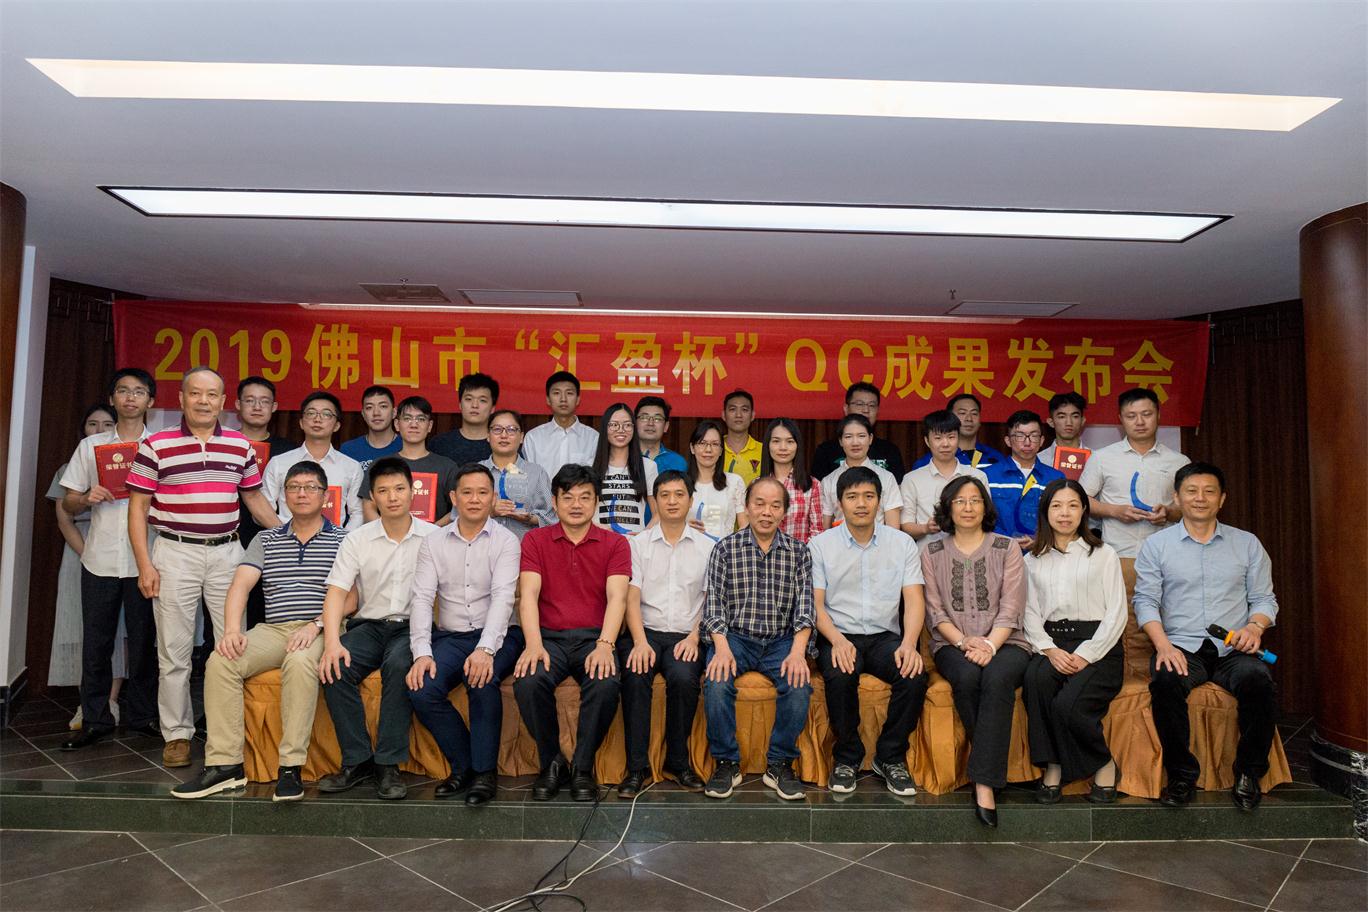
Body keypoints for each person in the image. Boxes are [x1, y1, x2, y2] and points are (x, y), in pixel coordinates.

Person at [125, 366, 281, 767]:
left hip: (228, 553)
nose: (203, 401)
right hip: (174, 553)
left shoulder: (240, 446)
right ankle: (177, 734)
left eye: (212, 395)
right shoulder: (156, 444)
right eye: (195, 393)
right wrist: (145, 564)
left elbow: (254, 500)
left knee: (233, 644)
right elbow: (137, 508)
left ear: (223, 402)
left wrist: (289, 534)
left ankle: (230, 732)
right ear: (181, 398)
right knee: (174, 651)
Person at [171, 462, 349, 802]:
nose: (301, 493)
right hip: (274, 629)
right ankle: (226, 765)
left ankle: (290, 767)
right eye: (294, 487)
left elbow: (352, 596)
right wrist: (231, 631)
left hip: (322, 626)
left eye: (310, 487)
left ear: (325, 496)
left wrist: (316, 625)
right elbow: (240, 586)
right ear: (283, 495)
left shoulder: (344, 539)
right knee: (221, 661)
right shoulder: (266, 539)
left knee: (299, 662)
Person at [1134, 462, 1279, 811]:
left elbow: (1264, 599)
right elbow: (1145, 601)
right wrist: (1163, 646)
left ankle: (1249, 773)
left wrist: (1254, 627)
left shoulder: (1247, 544)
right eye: (1191, 491)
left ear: (1222, 498)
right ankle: (1182, 775)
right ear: (1177, 497)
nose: (1200, 498)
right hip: (1180, 646)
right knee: (1166, 681)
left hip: (1233, 649)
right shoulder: (1157, 545)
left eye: (1209, 491)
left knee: (1259, 682)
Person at [317, 457, 439, 800]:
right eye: (383, 491)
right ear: (372, 497)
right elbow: (336, 593)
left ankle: (388, 764)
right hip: (369, 625)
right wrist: (332, 642)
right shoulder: (357, 539)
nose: (392, 497)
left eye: (399, 488)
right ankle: (357, 760)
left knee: (400, 665)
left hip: (412, 627)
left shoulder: (434, 537)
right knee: (335, 667)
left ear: (412, 491)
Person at [406, 464, 523, 806]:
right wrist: (422, 652)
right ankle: (464, 766)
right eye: (467, 492)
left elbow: (504, 598)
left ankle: (485, 774)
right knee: (422, 689)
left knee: (481, 679)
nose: (474, 499)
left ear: (493, 498)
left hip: (501, 635)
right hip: (452, 637)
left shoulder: (507, 541)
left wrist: (486, 650)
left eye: (482, 493)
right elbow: (422, 598)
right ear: (453, 498)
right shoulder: (433, 542)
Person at [513, 464, 631, 802]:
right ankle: (552, 763)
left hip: (594, 638)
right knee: (529, 681)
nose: (576, 504)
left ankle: (582, 766)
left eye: (585, 497)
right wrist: (533, 644)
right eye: (568, 497)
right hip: (548, 638)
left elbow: (618, 598)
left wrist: (605, 645)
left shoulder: (615, 543)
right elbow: (528, 595)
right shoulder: (535, 540)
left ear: (596, 502)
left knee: (605, 683)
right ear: (554, 501)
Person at [809, 467, 928, 796]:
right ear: (840, 502)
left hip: (883, 637)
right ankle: (847, 757)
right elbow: (815, 605)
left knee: (913, 674)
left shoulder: (902, 543)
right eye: (852, 497)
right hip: (838, 633)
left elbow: (914, 599)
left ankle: (890, 756)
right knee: (840, 673)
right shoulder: (820, 545)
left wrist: (909, 644)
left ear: (879, 501)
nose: (861, 504)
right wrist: (836, 641)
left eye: (868, 496)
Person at [920, 475, 1030, 827]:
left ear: (986, 507)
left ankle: (983, 782)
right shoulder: (931, 552)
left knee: (996, 678)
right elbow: (935, 612)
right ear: (948, 508)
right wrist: (964, 642)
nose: (968, 508)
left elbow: (1012, 607)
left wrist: (990, 644)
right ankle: (989, 775)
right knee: (967, 677)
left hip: (1007, 641)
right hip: (952, 643)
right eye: (960, 501)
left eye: (975, 500)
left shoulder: (1007, 548)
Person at [701, 477, 814, 801]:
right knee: (717, 681)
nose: (767, 512)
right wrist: (722, 648)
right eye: (759, 504)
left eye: (775, 505)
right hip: (735, 638)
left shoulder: (799, 552)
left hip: (781, 641)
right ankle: (726, 762)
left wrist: (797, 652)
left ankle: (779, 763)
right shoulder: (725, 549)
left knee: (798, 684)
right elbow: (714, 605)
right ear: (747, 507)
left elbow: (805, 608)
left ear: (784, 512)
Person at [1021, 479, 1126, 804]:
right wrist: (1049, 649)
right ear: (1045, 511)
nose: (1064, 513)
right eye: (1056, 506)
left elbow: (1117, 613)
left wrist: (1087, 654)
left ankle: (1103, 762)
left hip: (1098, 645)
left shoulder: (1103, 554)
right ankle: (1053, 765)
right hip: (1052, 642)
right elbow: (1028, 612)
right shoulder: (1032, 559)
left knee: (1067, 706)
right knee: (1035, 681)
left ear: (1083, 511)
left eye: (1072, 505)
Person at [615, 470, 713, 797]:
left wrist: (695, 637)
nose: (672, 501)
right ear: (654, 501)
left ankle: (677, 762)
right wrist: (639, 642)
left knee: (684, 678)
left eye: (679, 494)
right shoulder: (637, 544)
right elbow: (630, 597)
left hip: (687, 634)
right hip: (644, 631)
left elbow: (710, 601)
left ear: (691, 500)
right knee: (635, 673)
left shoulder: (707, 547)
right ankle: (637, 767)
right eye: (665, 495)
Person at [50, 404, 126, 733]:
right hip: (81, 551)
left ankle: (112, 700)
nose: (99, 430)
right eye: (92, 424)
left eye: (107, 424)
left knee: (120, 630)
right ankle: (88, 703)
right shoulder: (70, 467)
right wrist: (87, 554)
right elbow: (64, 518)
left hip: (123, 553)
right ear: (84, 429)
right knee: (86, 628)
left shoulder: (130, 461)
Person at [1078, 388, 1189, 598]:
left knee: (1167, 613)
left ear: (1158, 415)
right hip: (1118, 554)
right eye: (1131, 416)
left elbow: (1188, 507)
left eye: (1146, 414)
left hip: (1166, 555)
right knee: (1122, 615)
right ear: (1120, 419)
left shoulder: (1179, 461)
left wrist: (1168, 512)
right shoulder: (1102, 458)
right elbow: (1080, 500)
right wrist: (1114, 511)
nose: (1140, 422)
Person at [233, 376, 298, 629]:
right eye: (250, 400)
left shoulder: (288, 450)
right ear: (237, 405)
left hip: (274, 536)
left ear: (274, 407)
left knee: (265, 608)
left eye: (264, 401)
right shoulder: (226, 444)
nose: (257, 407)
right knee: (227, 608)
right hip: (230, 536)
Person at [262, 391, 364, 530]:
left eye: (326, 414)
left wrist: (343, 539)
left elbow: (358, 512)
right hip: (287, 539)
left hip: (335, 542)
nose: (317, 419)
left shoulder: (351, 467)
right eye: (311, 413)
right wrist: (285, 535)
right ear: (301, 423)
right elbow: (264, 508)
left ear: (337, 426)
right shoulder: (279, 463)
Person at [361, 395, 458, 526]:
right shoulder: (379, 465)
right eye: (407, 418)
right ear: (397, 424)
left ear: (430, 426)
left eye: (421, 419)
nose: (414, 424)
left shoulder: (447, 466)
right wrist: (389, 532)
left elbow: (458, 507)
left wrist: (432, 532)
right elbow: (368, 507)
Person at [899, 409, 988, 543]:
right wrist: (925, 528)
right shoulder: (912, 479)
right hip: (927, 551)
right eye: (938, 438)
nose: (945, 444)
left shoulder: (977, 476)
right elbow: (906, 525)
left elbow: (986, 517)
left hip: (970, 550)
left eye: (951, 437)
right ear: (927, 441)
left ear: (958, 439)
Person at [983, 410, 1065, 547]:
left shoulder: (1056, 478)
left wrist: (1040, 541)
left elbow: (1062, 518)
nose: (1027, 442)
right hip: (997, 552)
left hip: (1042, 552)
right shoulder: (987, 475)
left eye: (1034, 436)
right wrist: (1007, 543)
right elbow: (979, 518)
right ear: (1008, 441)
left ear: (1042, 441)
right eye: (1020, 436)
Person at [479, 408, 555, 540]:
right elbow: (459, 516)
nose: (504, 435)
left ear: (521, 437)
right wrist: (490, 512)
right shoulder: (475, 472)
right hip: (481, 547)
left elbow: (552, 518)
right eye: (497, 429)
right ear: (488, 435)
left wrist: (529, 518)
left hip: (524, 548)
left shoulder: (537, 473)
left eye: (511, 429)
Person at [819, 415, 902, 529]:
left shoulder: (887, 478)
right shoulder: (828, 481)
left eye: (861, 436)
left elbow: (893, 528)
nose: (855, 442)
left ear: (870, 439)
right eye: (848, 437)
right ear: (840, 441)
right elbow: (825, 527)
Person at [811, 382, 906, 481]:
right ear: (846, 408)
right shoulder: (826, 451)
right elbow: (818, 486)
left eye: (872, 405)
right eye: (860, 404)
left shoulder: (890, 451)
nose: (866, 410)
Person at [591, 402, 658, 535]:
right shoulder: (590, 466)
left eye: (627, 425)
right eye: (614, 425)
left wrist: (643, 536)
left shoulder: (648, 466)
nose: (621, 430)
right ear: (605, 428)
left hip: (634, 543)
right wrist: (598, 529)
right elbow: (583, 511)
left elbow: (658, 513)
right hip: (599, 540)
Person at [521, 371, 598, 478]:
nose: (563, 399)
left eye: (569, 393)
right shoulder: (533, 438)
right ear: (548, 400)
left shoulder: (593, 438)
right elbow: (529, 477)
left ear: (578, 400)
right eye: (556, 393)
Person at [760, 417, 823, 543]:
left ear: (797, 445)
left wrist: (799, 553)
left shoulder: (813, 485)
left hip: (800, 554)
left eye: (790, 441)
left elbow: (817, 533)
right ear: (767, 445)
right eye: (776, 441)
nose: (783, 447)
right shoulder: (756, 485)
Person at [685, 420, 748, 540]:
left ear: (721, 451)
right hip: (687, 548)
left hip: (724, 550)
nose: (708, 449)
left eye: (714, 444)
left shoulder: (734, 482)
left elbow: (744, 524)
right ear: (692, 448)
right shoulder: (681, 483)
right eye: (702, 443)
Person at [911, 394, 1005, 470]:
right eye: (962, 413)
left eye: (974, 414)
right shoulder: (926, 463)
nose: (969, 419)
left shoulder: (996, 458)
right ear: (950, 418)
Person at [430, 372, 498, 465]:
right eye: (468, 399)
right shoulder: (439, 444)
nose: (474, 405)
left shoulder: (501, 444)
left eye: (482, 400)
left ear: (492, 408)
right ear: (460, 405)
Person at [339, 384, 401, 474]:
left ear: (394, 412)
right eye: (369, 407)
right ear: (363, 414)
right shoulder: (348, 450)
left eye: (383, 406)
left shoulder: (405, 446)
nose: (376, 413)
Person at [634, 396, 688, 474]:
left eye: (657, 419)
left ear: (666, 426)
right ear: (635, 423)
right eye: (644, 417)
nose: (650, 423)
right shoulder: (624, 458)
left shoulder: (678, 462)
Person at [1038, 391, 1089, 472]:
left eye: (1075, 416)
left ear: (1082, 421)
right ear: (1051, 422)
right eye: (1062, 417)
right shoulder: (1039, 460)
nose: (1069, 422)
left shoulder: (1095, 458)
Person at [721, 389, 763, 485]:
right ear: (724, 415)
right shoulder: (714, 449)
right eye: (732, 409)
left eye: (744, 410)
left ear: (752, 415)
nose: (738, 415)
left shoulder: (764, 451)